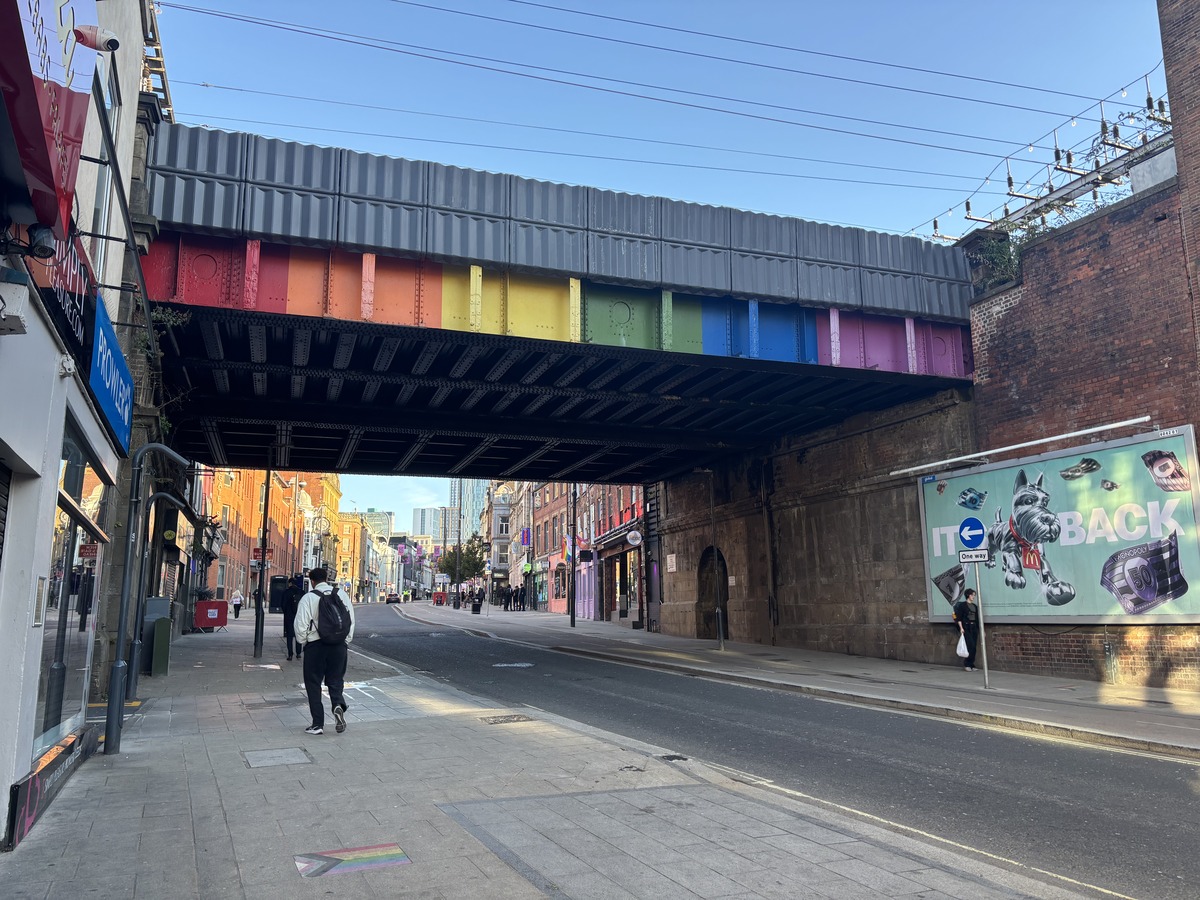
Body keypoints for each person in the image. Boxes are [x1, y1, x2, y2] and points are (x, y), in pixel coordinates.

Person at [294, 567, 355, 735]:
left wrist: (304, 641)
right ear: (327, 578)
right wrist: (345, 641)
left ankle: (317, 724)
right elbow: (351, 620)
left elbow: (300, 625)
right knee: (335, 679)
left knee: (313, 684)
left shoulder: (308, 598)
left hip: (316, 646)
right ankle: (337, 704)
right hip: (339, 646)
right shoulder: (341, 594)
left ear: (312, 581)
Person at [953, 588, 980, 671]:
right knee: (970, 645)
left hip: (974, 626)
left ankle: (972, 664)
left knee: (974, 646)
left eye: (974, 595)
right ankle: (967, 664)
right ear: (968, 595)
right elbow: (959, 618)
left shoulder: (974, 606)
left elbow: (977, 619)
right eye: (972, 595)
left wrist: (980, 630)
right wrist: (961, 628)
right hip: (966, 627)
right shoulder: (962, 606)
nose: (973, 597)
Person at [282, 575, 304, 661]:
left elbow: (283, 605)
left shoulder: (286, 592)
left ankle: (290, 654)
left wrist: (286, 612)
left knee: (289, 636)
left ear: (290, 583)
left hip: (289, 617)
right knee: (299, 635)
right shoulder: (301, 592)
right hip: (299, 617)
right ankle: (298, 653)